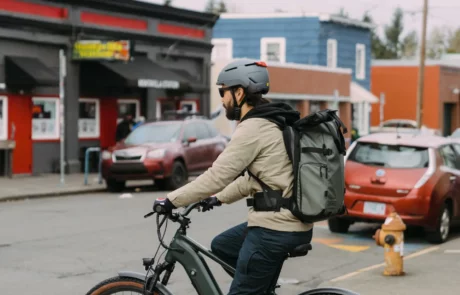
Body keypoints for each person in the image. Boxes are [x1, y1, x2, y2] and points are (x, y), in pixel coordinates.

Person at [153, 59, 313, 294]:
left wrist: (171, 200)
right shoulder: (273, 121)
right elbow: (255, 180)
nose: (222, 99)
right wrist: (217, 199)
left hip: (274, 230)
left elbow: (217, 176)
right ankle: (258, 285)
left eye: (223, 91)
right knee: (223, 245)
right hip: (289, 223)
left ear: (239, 92)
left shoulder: (253, 128)